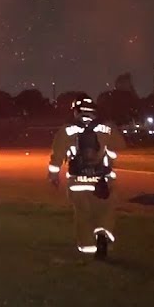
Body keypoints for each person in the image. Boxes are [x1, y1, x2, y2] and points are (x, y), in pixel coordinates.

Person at [47, 97, 123, 259]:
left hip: (77, 182)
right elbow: (119, 147)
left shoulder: (67, 130)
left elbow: (57, 155)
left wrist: (53, 175)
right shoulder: (108, 127)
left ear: (76, 111)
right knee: (106, 210)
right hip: (103, 181)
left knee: (83, 213)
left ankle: (87, 246)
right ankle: (103, 233)